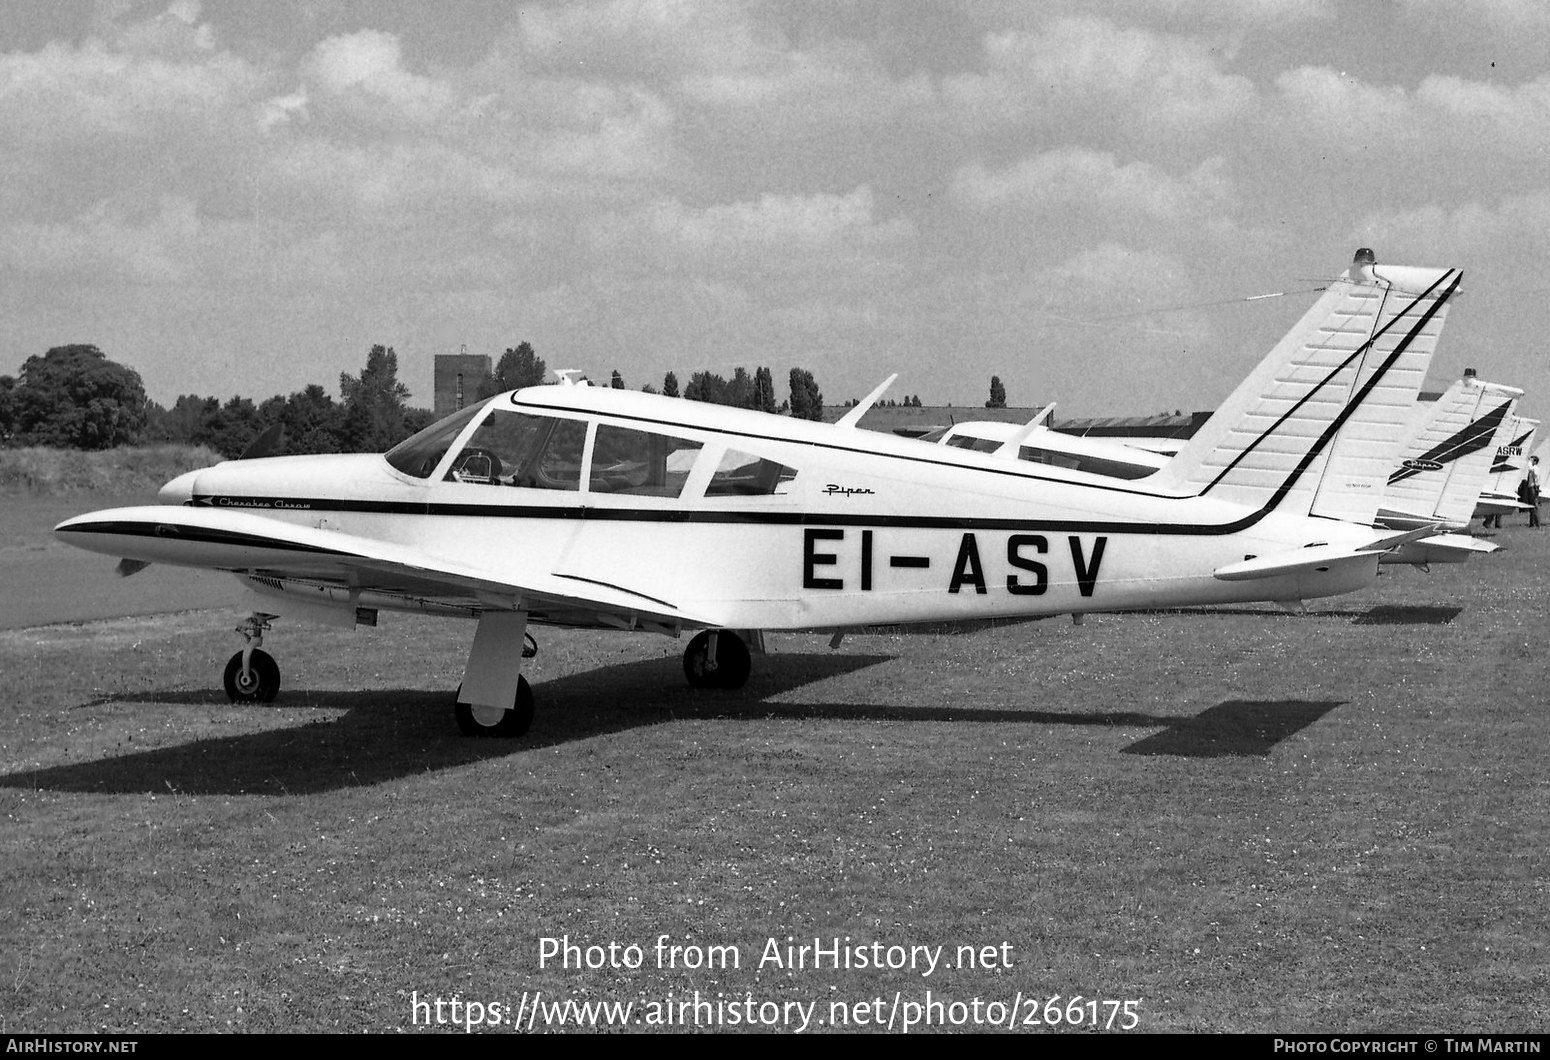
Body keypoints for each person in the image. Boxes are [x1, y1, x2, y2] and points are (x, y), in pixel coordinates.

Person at [1527, 456, 1543, 528]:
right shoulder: (1535, 468)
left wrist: (1529, 461)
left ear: (1535, 462)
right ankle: (1532, 523)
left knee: (1534, 505)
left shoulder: (1535, 468)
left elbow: (1534, 475)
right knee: (1532, 505)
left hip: (1533, 487)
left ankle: (1537, 524)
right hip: (1532, 487)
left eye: (1532, 460)